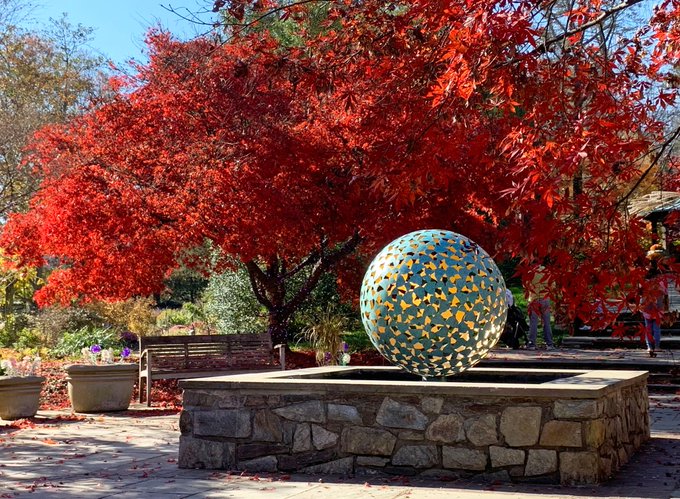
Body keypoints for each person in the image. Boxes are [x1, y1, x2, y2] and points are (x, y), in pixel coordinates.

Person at [642, 245, 666, 357]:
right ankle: (657, 346)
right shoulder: (660, 279)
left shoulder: (645, 279)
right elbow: (664, 292)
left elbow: (640, 291)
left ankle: (649, 346)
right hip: (658, 305)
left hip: (646, 304)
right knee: (656, 327)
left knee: (648, 328)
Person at [527, 266, 555, 350]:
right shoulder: (547, 271)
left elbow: (526, 285)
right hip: (545, 299)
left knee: (533, 323)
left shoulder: (530, 272)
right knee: (546, 322)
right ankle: (549, 344)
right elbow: (553, 286)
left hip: (533, 299)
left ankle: (532, 344)